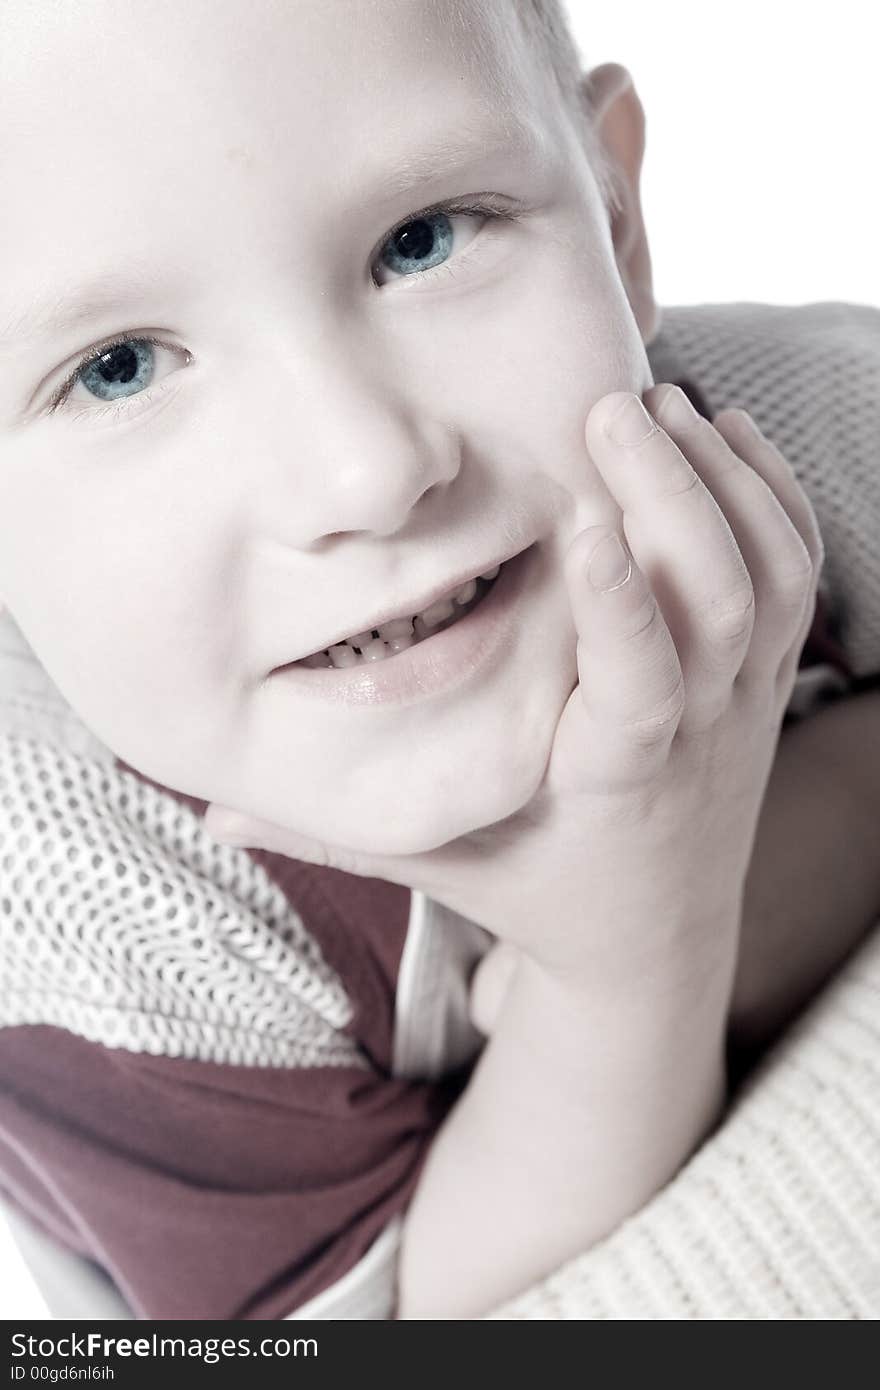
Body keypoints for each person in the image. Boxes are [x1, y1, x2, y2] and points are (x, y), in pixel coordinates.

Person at [1, 0, 878, 1320]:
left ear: (618, 220)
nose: (367, 469)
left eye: (421, 241)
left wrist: (725, 884)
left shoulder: (822, 431)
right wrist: (629, 954)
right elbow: (400, 1315)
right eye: (119, 368)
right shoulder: (75, 898)